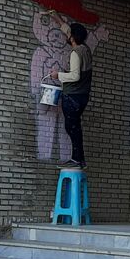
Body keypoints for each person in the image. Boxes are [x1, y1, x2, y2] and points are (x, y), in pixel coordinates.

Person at [49, 19, 93, 169]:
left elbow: (75, 76)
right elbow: (69, 30)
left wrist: (58, 75)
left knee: (71, 127)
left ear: (72, 37)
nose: (66, 37)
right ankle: (80, 159)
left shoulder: (75, 53)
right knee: (75, 127)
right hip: (82, 96)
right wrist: (56, 17)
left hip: (72, 96)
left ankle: (76, 159)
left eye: (69, 35)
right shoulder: (86, 50)